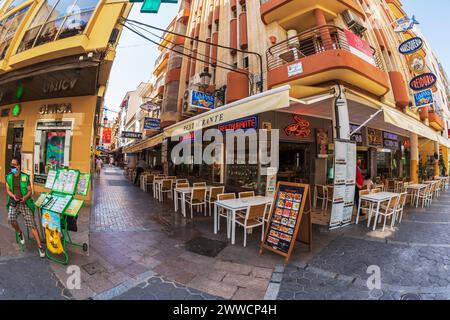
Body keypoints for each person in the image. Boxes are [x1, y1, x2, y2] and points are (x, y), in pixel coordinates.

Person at [6, 157, 45, 258]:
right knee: (10, 219)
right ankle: (20, 232)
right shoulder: (9, 177)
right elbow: (8, 190)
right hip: (14, 202)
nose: (12, 167)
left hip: (25, 203)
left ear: (19, 166)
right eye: (11, 165)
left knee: (32, 225)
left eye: (14, 165)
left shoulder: (25, 177)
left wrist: (25, 198)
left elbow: (30, 191)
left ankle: (40, 247)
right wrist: (12, 196)